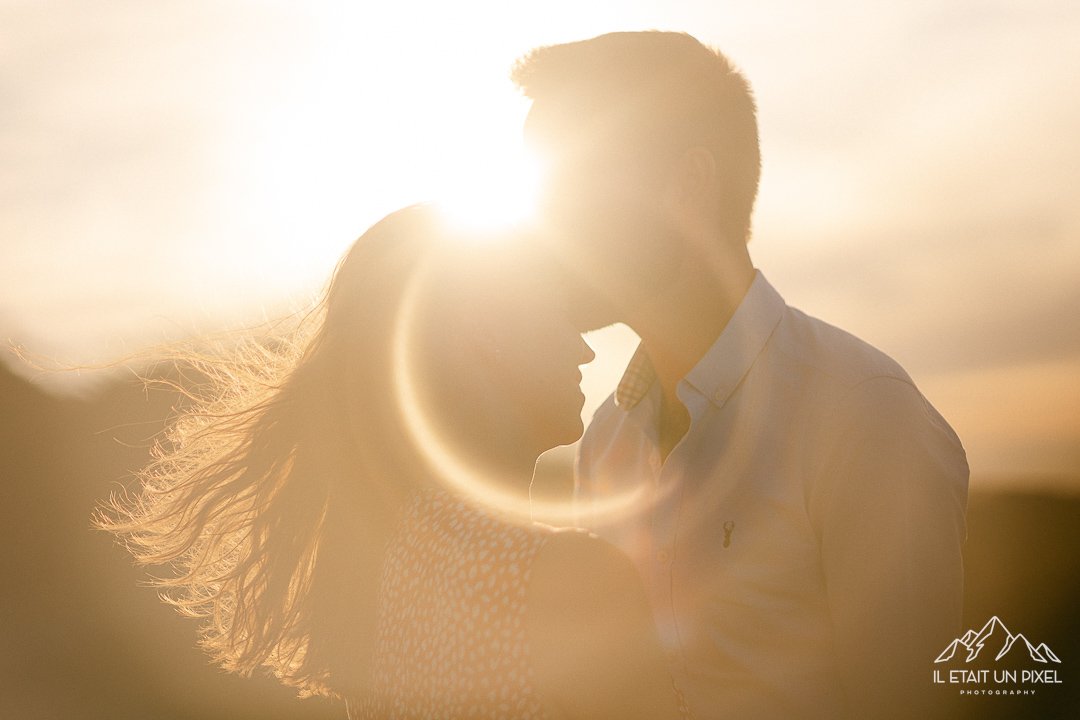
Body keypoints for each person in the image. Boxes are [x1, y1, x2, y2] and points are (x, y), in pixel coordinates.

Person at [513, 31, 969, 719]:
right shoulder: (607, 441)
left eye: (570, 189)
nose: (541, 229)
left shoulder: (864, 417)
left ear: (688, 187)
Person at [95, 205, 687, 719]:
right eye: (556, 311)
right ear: (485, 332)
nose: (585, 345)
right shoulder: (567, 581)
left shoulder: (385, 579)